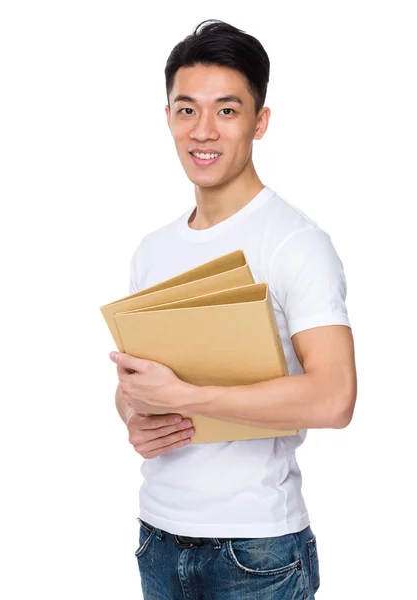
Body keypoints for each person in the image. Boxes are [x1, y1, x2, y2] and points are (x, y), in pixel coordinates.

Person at [110, 19, 357, 600]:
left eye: (226, 110)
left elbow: (335, 398)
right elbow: (133, 388)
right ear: (167, 118)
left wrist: (186, 399)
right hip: (159, 536)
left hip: (256, 551)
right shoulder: (153, 249)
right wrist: (136, 419)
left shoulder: (295, 243)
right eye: (186, 109)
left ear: (259, 121)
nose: (204, 130)